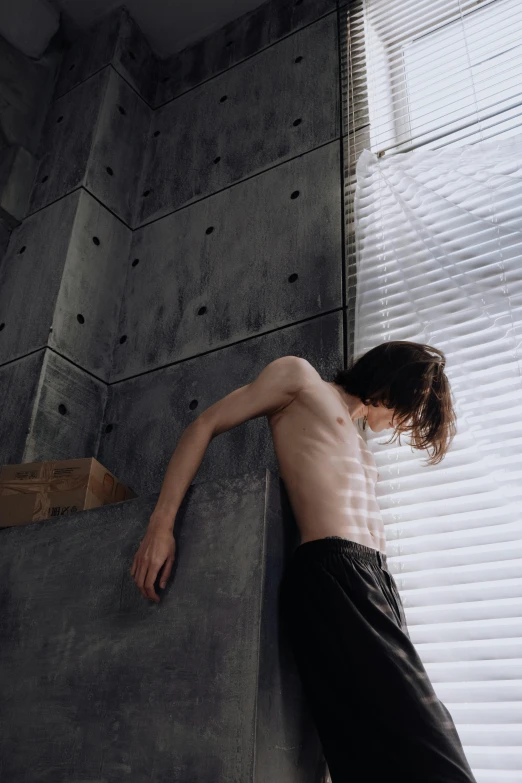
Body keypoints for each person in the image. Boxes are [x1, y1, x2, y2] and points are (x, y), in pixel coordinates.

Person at [130, 340, 477, 783]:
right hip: (334, 571)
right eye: (411, 407)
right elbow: (205, 423)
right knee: (432, 745)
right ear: (393, 382)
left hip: (377, 584)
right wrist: (162, 524)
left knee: (370, 751)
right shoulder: (300, 379)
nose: (404, 422)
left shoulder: (358, 441)